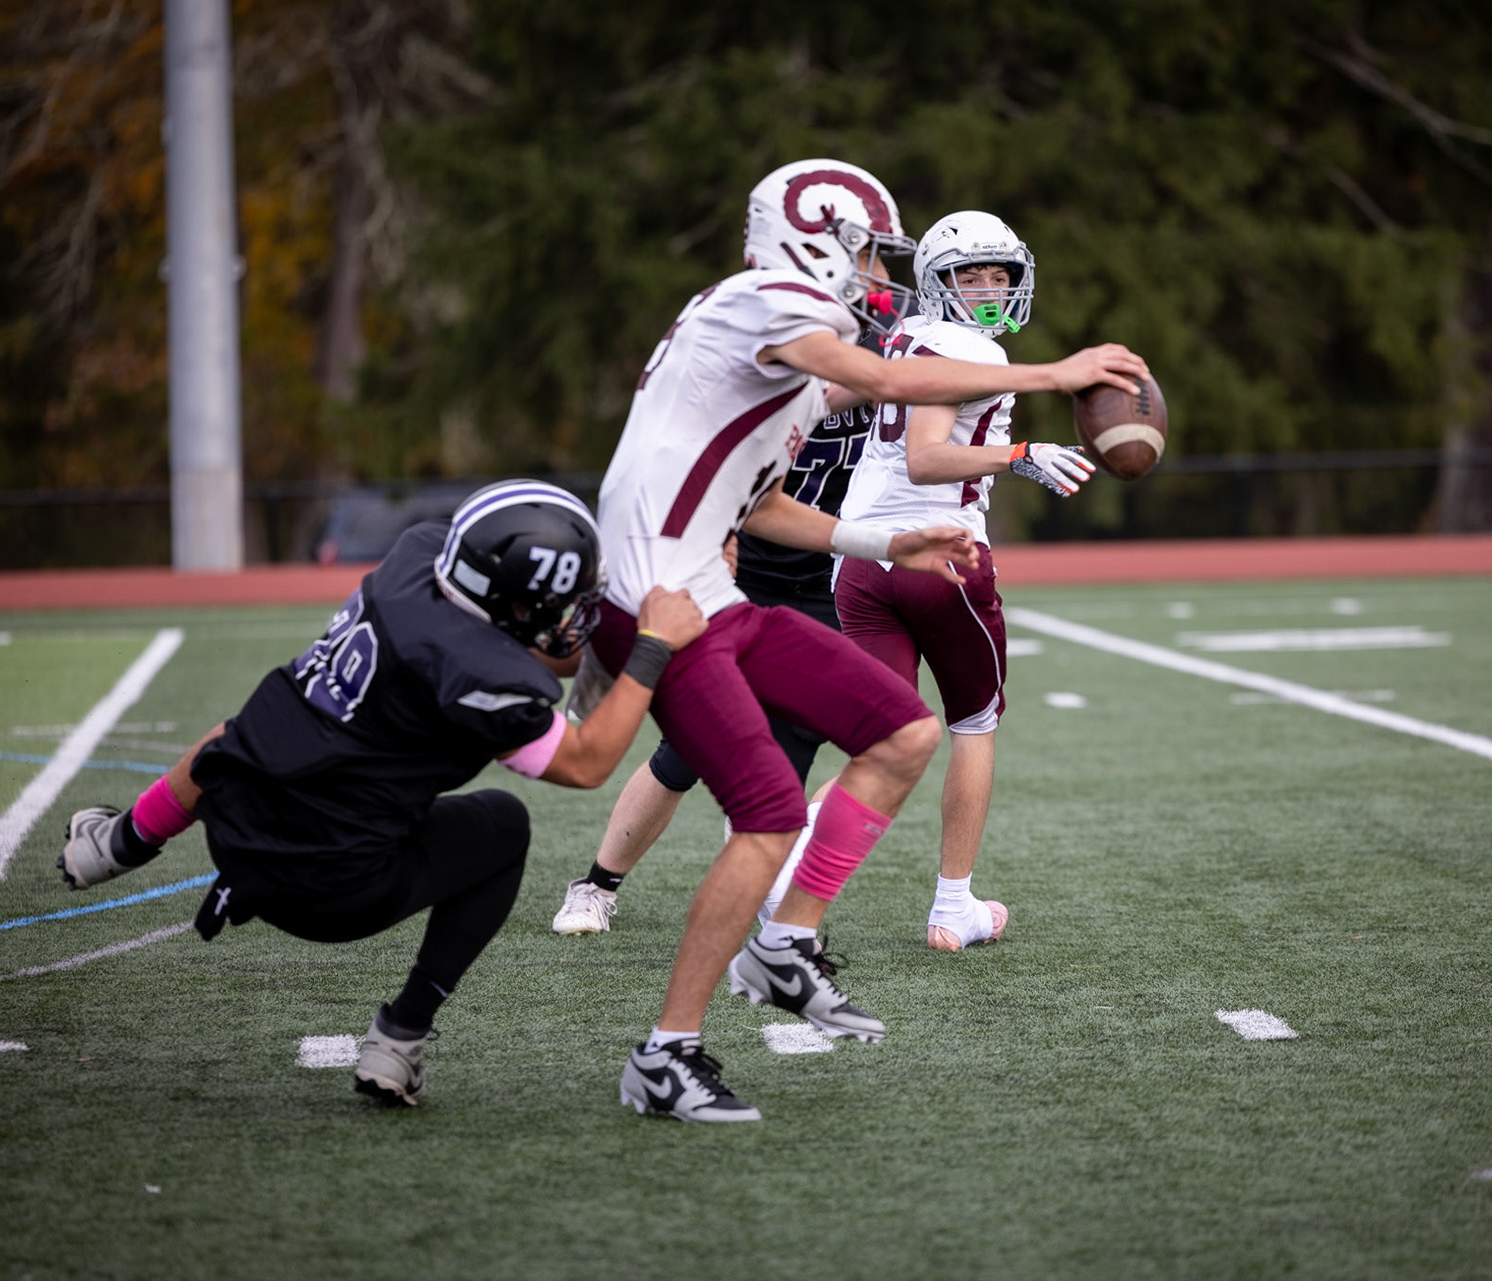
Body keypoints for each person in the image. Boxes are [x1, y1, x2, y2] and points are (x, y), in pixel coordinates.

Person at [593, 158, 1148, 1122]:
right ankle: (668, 1043)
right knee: (763, 800)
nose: (872, 281)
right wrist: (1055, 377)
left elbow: (765, 506)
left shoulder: (785, 368)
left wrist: (884, 538)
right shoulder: (762, 301)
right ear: (811, 244)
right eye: (860, 257)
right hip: (657, 593)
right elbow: (894, 378)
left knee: (901, 730)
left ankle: (784, 942)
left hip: (706, 590)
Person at [56, 480, 706, 1105]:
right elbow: (588, 762)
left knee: (243, 732)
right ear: (513, 606)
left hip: (237, 824)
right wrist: (649, 650)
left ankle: (117, 843)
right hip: (329, 887)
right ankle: (401, 1036)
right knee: (504, 827)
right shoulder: (482, 675)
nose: (572, 618)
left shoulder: (418, 558)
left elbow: (523, 642)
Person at [550, 331, 885, 938]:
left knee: (807, 746)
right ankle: (596, 884)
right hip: (735, 575)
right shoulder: (761, 372)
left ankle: (766, 874)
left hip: (831, 584)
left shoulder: (897, 377)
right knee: (684, 750)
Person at [834, 209, 1094, 949]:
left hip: (860, 560)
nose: (988, 289)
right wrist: (1020, 454)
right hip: (940, 557)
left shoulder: (908, 335)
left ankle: (778, 881)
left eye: (998, 274)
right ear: (937, 283)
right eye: (968, 276)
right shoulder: (958, 350)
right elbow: (924, 456)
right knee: (973, 724)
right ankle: (954, 907)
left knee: (878, 746)